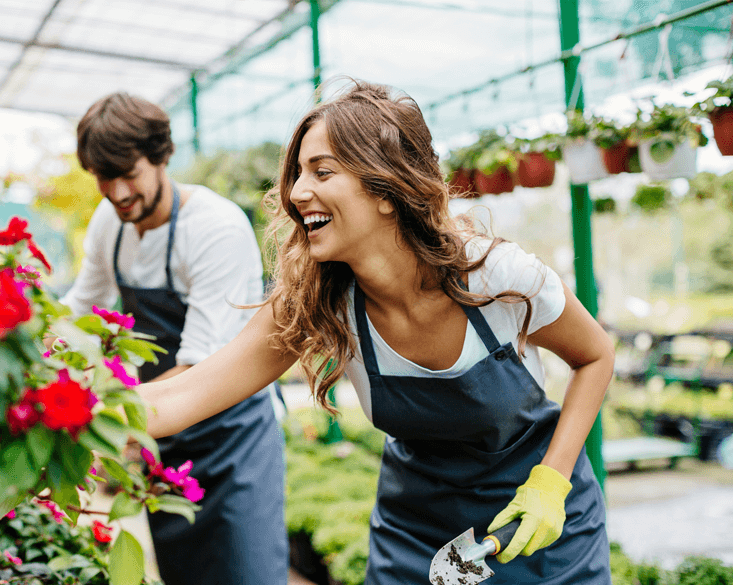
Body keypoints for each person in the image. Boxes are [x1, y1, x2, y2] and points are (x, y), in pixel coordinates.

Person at [136, 80, 616, 585]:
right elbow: (189, 392)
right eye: (298, 174)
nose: (297, 192)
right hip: (416, 532)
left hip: (534, 530)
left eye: (322, 171)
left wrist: (552, 481)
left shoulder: (494, 274)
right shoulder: (322, 301)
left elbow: (595, 355)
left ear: (387, 190)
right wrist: (77, 410)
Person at [60, 92, 288, 585]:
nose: (118, 192)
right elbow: (80, 311)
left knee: (244, 572)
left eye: (129, 173)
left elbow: (200, 369)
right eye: (105, 177)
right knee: (182, 571)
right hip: (162, 437)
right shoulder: (110, 225)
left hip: (231, 440)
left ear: (160, 158)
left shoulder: (215, 228)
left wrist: (96, 423)